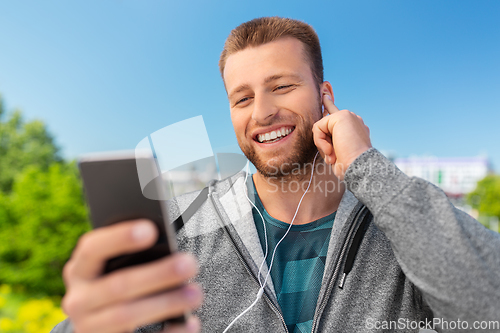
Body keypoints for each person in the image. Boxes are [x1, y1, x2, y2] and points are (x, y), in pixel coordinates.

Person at [52, 17, 500, 333]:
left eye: (282, 86)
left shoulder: (405, 222)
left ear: (325, 97)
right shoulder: (180, 230)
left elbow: (489, 308)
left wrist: (366, 166)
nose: (263, 112)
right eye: (242, 99)